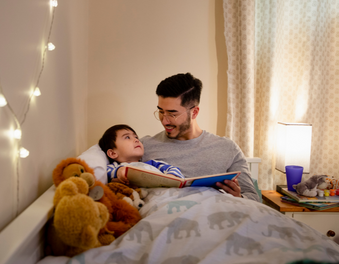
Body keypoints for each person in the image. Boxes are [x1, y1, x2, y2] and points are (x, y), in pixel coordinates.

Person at [140, 73, 259, 201]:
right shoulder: (143, 147)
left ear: (194, 112)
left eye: (172, 114)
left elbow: (253, 199)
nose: (164, 121)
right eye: (161, 112)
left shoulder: (227, 149)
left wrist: (239, 197)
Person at [99, 124, 184, 185]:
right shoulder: (114, 167)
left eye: (136, 137)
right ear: (113, 153)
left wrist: (171, 176)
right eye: (127, 137)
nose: (136, 140)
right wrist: (119, 171)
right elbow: (103, 175)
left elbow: (173, 169)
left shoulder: (152, 164)